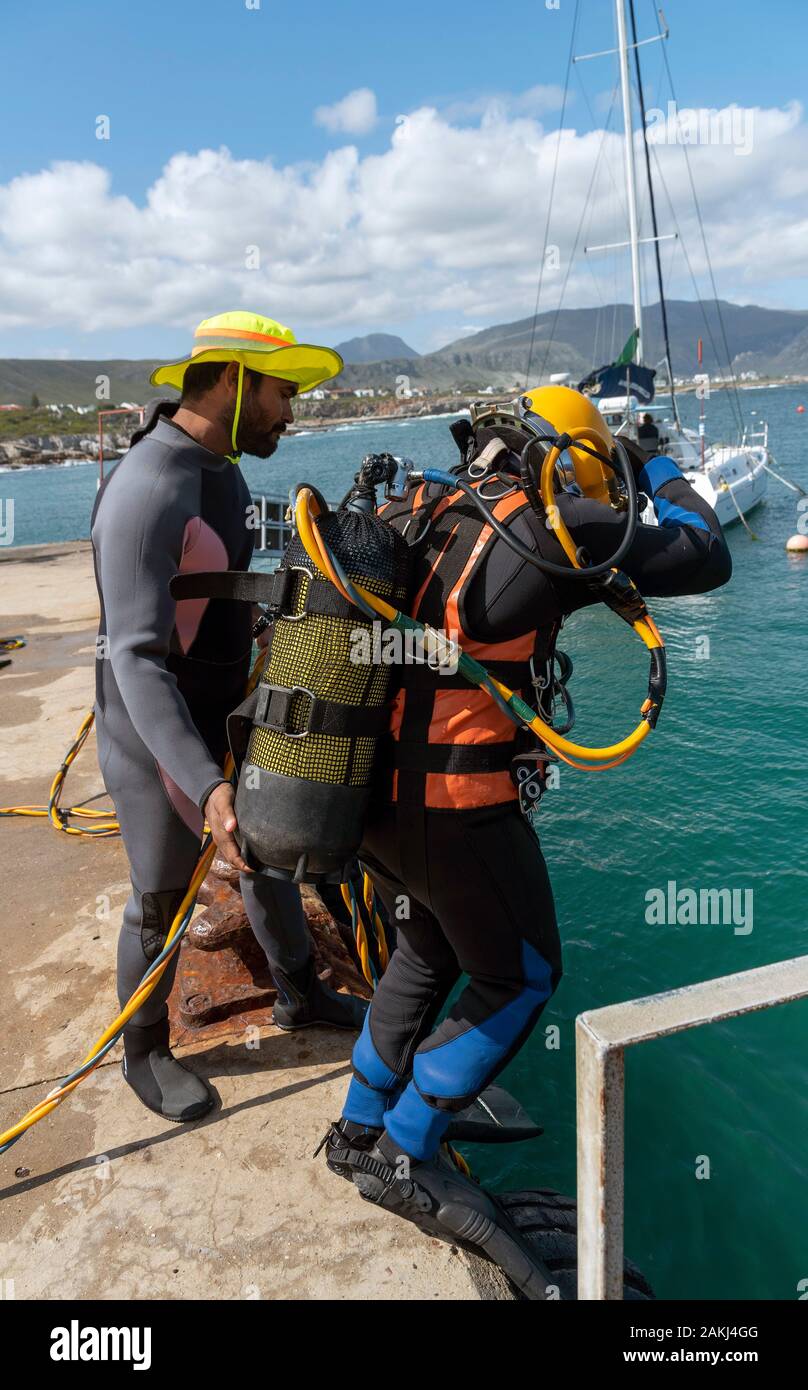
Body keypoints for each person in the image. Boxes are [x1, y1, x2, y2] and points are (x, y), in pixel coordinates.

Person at [323, 388, 731, 1285]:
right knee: (522, 973)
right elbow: (707, 556)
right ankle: (404, 1149)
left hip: (375, 813)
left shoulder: (415, 508)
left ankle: (356, 1122)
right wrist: (654, 461)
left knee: (425, 951)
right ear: (566, 459)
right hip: (459, 812)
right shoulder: (547, 526)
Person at [92, 311, 367, 1123]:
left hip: (224, 710)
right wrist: (207, 784)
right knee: (160, 895)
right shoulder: (147, 490)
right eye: (282, 391)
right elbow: (134, 657)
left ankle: (301, 993)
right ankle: (142, 1051)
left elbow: (228, 597)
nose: (291, 411)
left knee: (267, 857)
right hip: (152, 730)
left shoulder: (226, 472)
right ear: (234, 381)